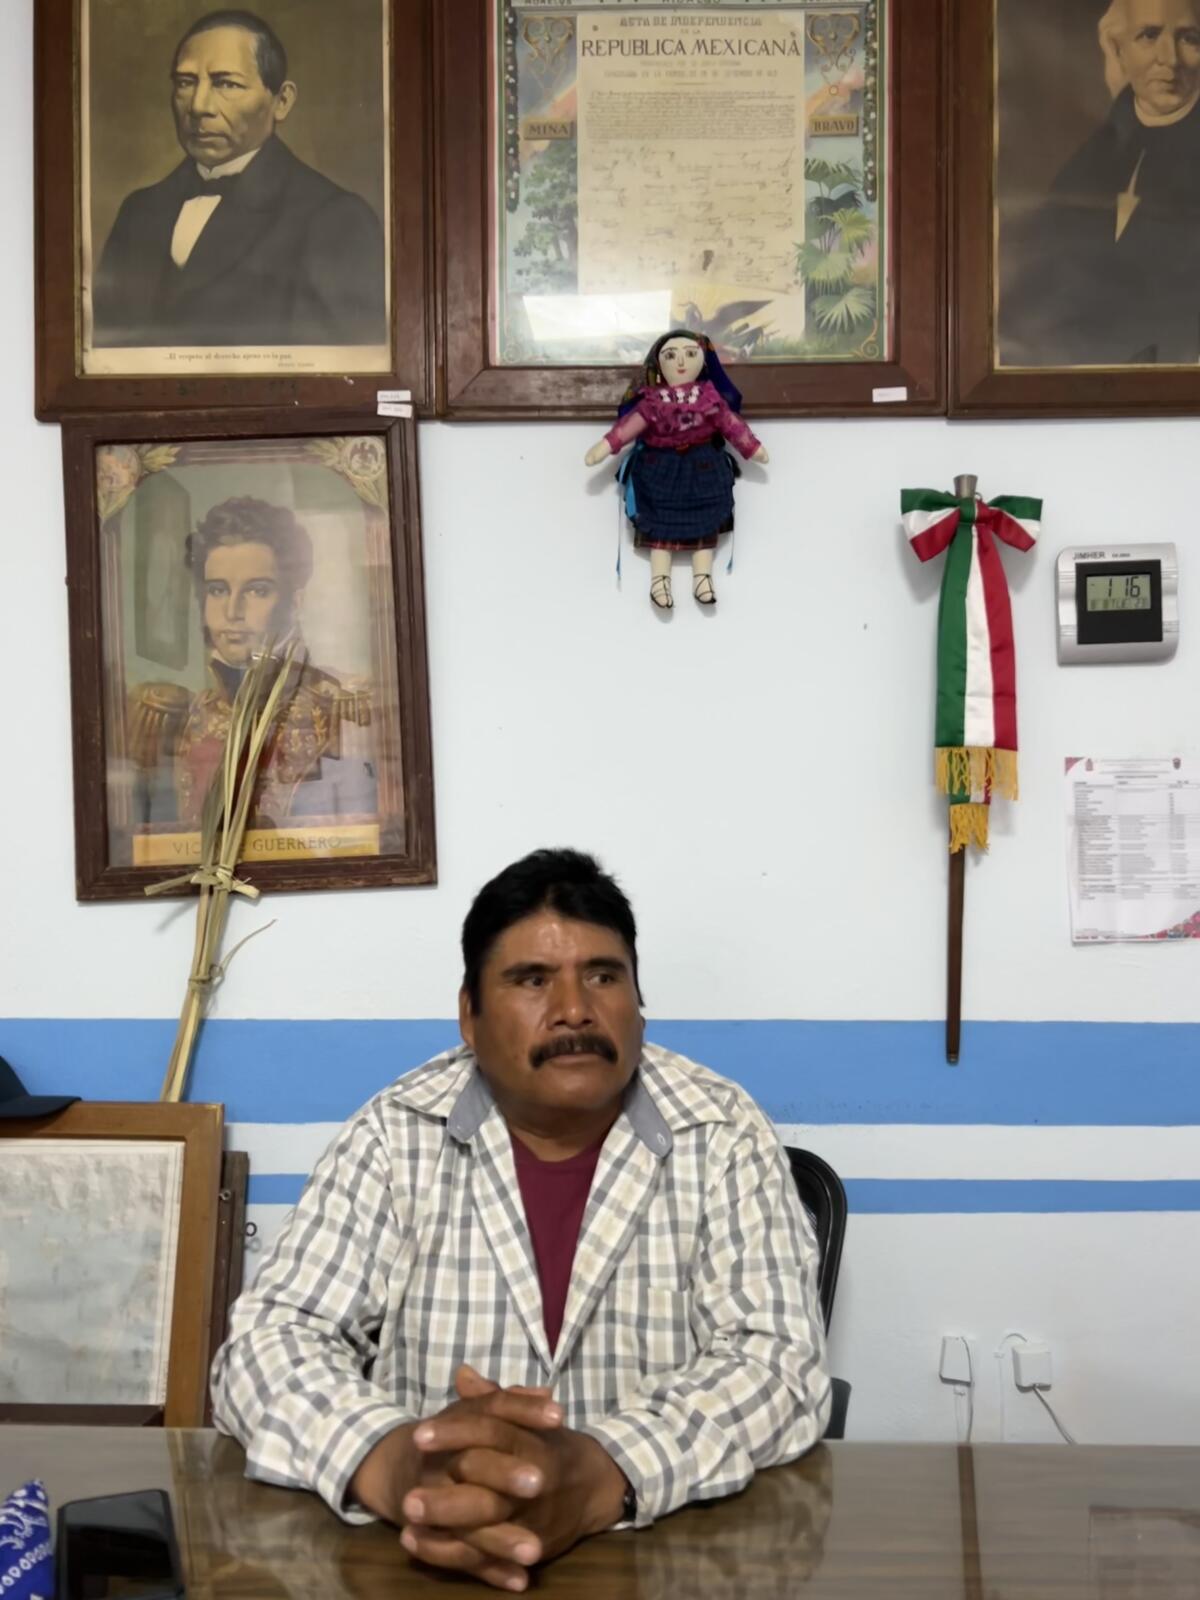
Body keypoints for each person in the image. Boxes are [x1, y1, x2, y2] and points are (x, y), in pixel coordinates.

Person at [211, 849, 831, 1592]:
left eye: (604, 976)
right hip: (421, 1561)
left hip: (658, 1561)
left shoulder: (722, 1130)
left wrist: (604, 1470)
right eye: (533, 980)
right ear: (469, 1015)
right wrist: (394, 1459)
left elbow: (778, 1365)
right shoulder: (395, 1132)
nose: (575, 1009)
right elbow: (266, 1345)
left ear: (638, 999)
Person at [92, 9, 386, 349]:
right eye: (186, 83)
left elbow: (339, 377)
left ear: (282, 101)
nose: (199, 106)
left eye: (226, 83)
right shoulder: (137, 212)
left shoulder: (336, 220)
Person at [128, 495, 375, 827]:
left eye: (257, 590)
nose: (232, 612)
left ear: (295, 601)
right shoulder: (173, 717)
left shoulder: (345, 703)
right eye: (217, 590)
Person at [1000, 0, 1200, 367]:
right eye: (1149, 35)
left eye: (1189, 38)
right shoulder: (1093, 159)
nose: (1169, 58)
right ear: (1117, 47)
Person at [584, 331, 769, 611]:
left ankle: (703, 578)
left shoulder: (711, 399)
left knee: (706, 519)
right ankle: (659, 580)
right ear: (659, 365)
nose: (681, 362)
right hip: (660, 470)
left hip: (704, 468)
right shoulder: (652, 403)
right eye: (671, 355)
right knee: (659, 521)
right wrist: (605, 445)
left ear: (702, 361)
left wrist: (752, 447)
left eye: (690, 354)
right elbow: (629, 428)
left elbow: (732, 425)